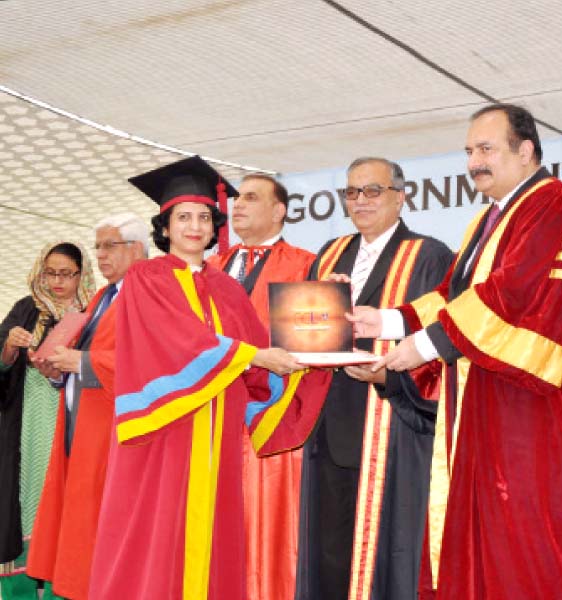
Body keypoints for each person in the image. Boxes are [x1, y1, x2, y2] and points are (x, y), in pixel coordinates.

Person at [350, 105, 562, 599]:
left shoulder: (557, 206)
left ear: (525, 150)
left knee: (521, 547)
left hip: (531, 412)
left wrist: (421, 346)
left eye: (486, 149)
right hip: (486, 407)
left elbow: (514, 295)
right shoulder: (491, 217)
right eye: (469, 151)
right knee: (479, 543)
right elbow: (454, 295)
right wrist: (385, 320)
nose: (473, 162)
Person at [86, 156, 324, 600]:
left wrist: (321, 331)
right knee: (158, 535)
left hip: (217, 438)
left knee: (210, 536)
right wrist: (256, 355)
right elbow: (181, 341)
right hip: (164, 431)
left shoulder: (227, 289)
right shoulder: (146, 278)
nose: (194, 226)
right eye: (183, 217)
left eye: (202, 217)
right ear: (166, 225)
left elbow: (260, 358)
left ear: (215, 225)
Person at [295, 157, 452, 600]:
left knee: (387, 553)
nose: (360, 201)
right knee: (328, 555)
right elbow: (306, 334)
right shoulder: (328, 254)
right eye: (351, 192)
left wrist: (386, 378)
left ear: (400, 197)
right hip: (329, 427)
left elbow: (439, 343)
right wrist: (321, 305)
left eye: (372, 191)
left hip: (391, 427)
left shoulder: (429, 255)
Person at [26, 214, 148, 600]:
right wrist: (56, 368)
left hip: (114, 429)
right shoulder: (103, 297)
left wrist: (82, 363)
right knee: (81, 525)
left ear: (137, 249)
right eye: (97, 246)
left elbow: (147, 360)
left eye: (109, 246)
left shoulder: (145, 295)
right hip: (80, 423)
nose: (100, 255)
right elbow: (83, 355)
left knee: (106, 528)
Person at [208, 174, 315, 600]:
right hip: (213, 416)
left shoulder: (307, 264)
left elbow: (313, 344)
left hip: (270, 417)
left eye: (251, 198)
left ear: (279, 210)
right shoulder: (209, 269)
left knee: (269, 524)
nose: (239, 205)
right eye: (237, 198)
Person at [0, 241, 95, 600]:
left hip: (77, 424)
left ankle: (63, 590)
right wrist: (10, 345)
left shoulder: (95, 311)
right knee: (26, 502)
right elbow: (2, 366)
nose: (58, 282)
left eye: (67, 274)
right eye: (50, 273)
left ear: (81, 274)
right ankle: (19, 592)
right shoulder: (25, 310)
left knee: (70, 504)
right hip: (29, 427)